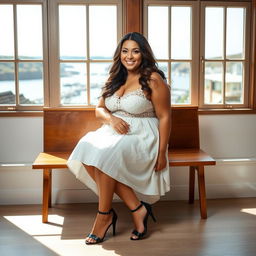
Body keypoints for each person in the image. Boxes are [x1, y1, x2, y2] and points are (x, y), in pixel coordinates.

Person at [67, 32, 171, 245]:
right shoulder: (115, 77)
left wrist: (161, 153)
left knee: (106, 157)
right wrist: (111, 119)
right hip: (113, 130)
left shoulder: (153, 78)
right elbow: (99, 109)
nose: (129, 56)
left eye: (135, 51)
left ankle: (104, 216)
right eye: (125, 51)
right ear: (120, 54)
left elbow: (165, 116)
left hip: (143, 134)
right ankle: (137, 208)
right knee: (85, 148)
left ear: (143, 53)